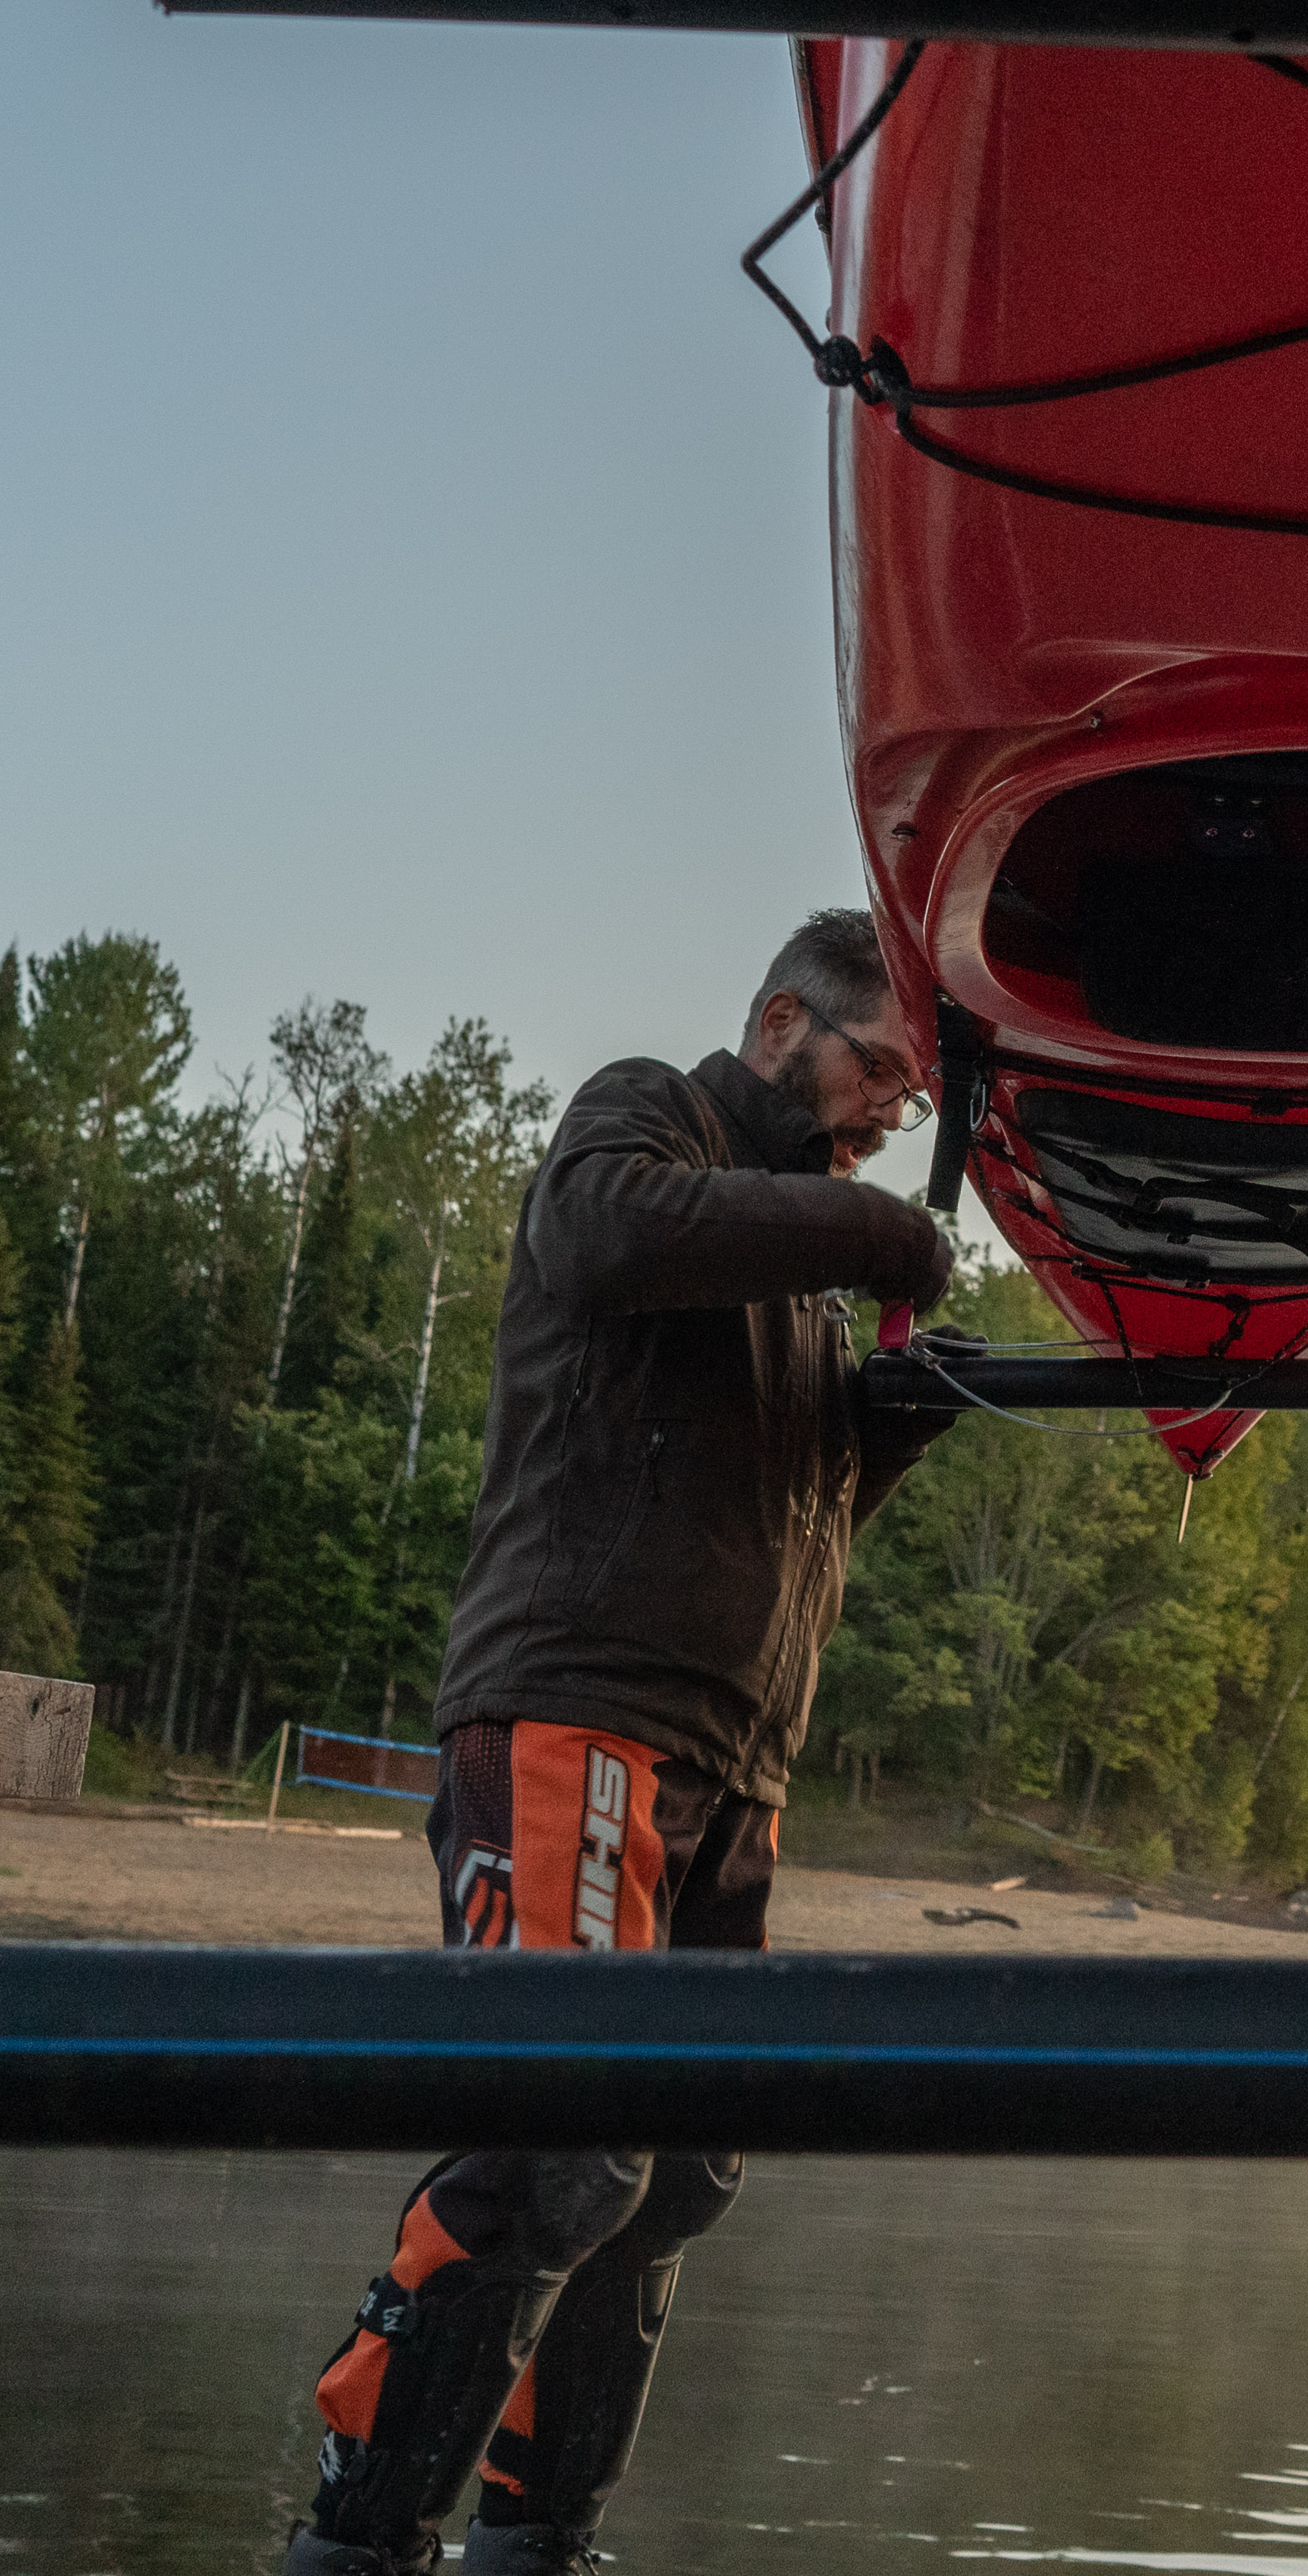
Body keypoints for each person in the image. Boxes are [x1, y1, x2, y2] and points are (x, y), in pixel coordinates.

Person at [282, 910, 964, 2576]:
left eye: (911, 1099)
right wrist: (873, 1234)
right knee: (561, 2141)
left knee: (673, 2178)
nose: (892, 1112)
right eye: (882, 1070)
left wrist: (885, 1431)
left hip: (733, 1765)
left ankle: (542, 2542)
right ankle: (358, 2539)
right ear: (784, 1020)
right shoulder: (647, 1113)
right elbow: (597, 1237)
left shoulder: (792, 1290)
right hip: (575, 1699)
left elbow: (775, 1511)